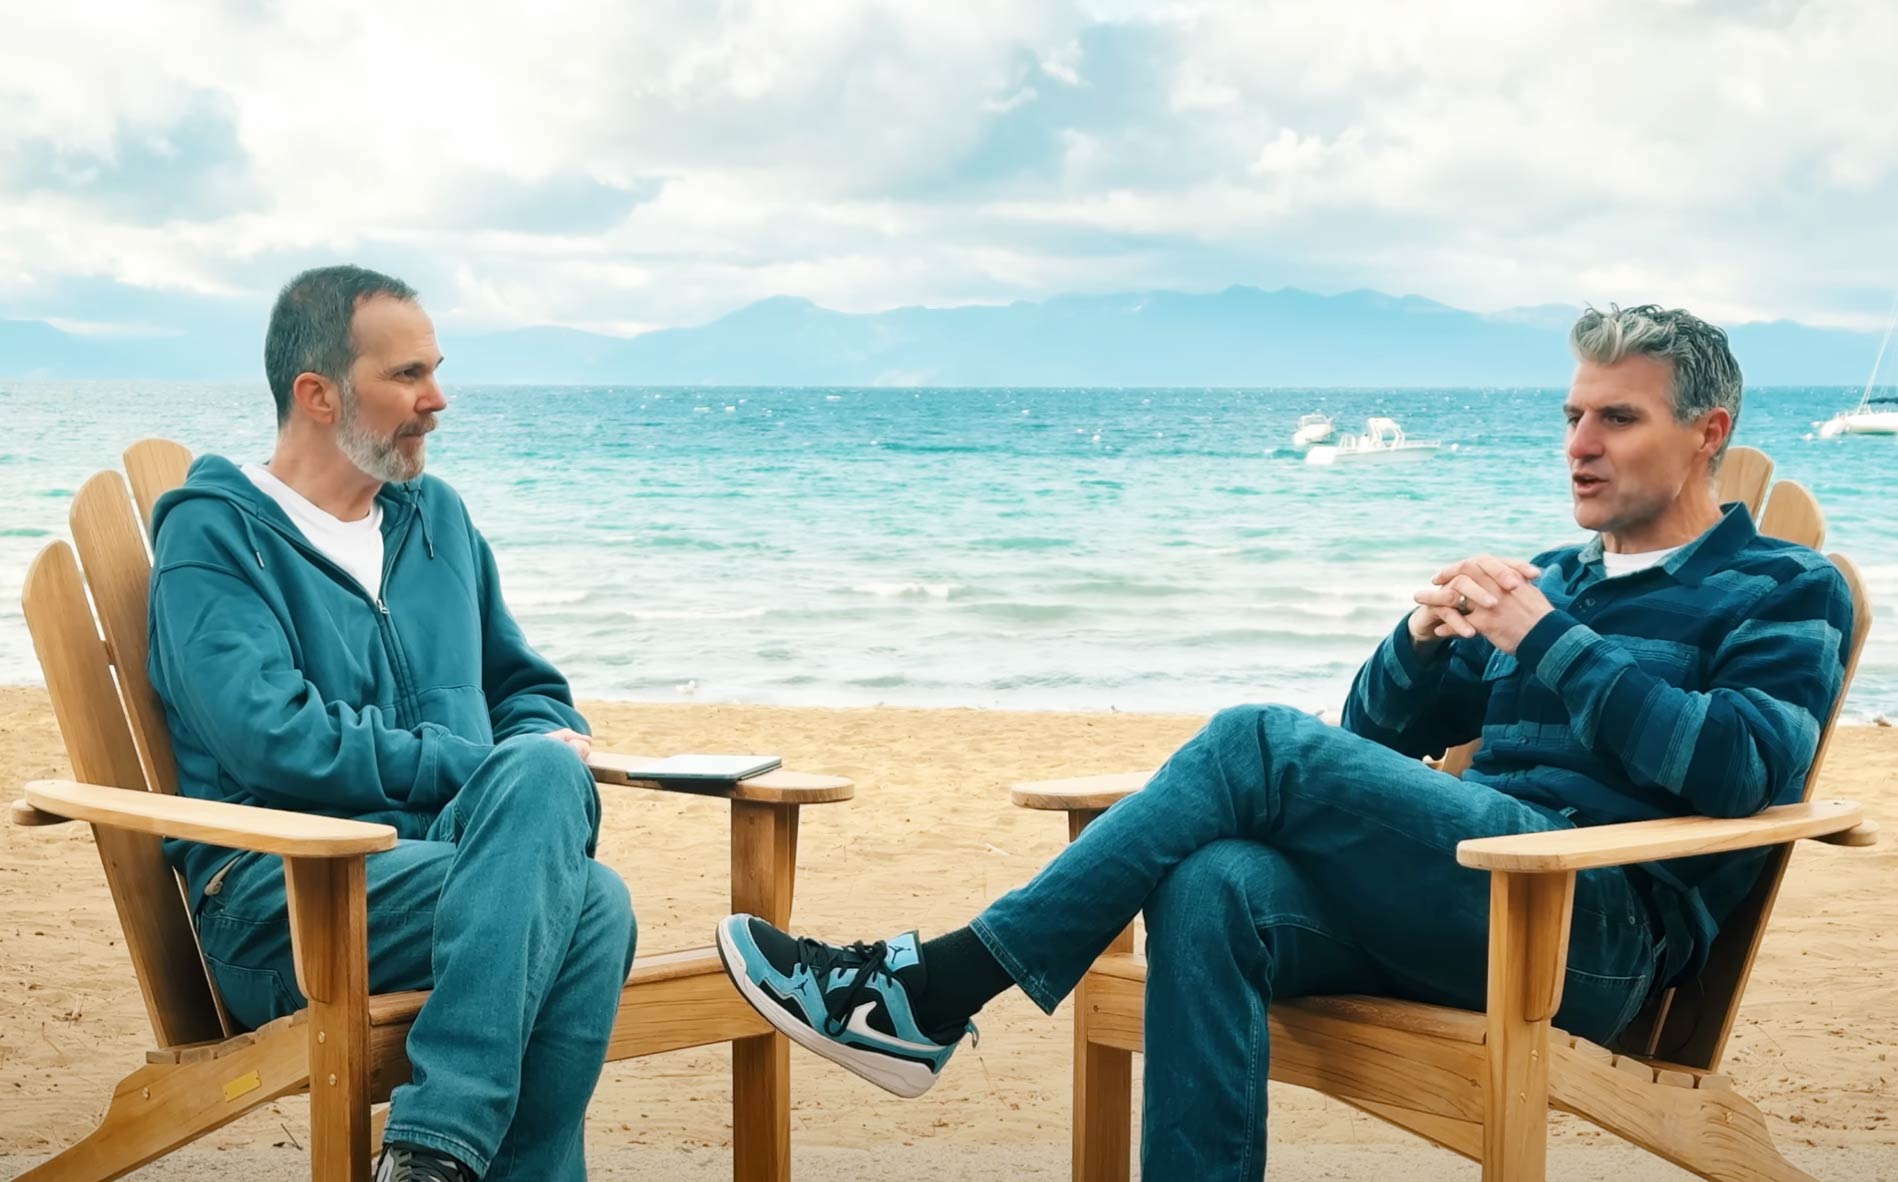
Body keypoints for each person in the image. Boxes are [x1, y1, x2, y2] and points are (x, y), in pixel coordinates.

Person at [715, 304, 1854, 1179]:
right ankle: (932, 1005)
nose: (1579, 444)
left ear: (1707, 434)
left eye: (1617, 417)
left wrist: (1546, 641)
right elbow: (1369, 736)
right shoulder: (1546, 580)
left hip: (1587, 932)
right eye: (1569, 416)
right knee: (1214, 878)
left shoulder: (1779, 589)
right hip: (1467, 896)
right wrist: (1416, 642)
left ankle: (937, 988)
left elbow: (1739, 770)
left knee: (1254, 739)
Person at [148, 265, 637, 1182]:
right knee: (590, 901)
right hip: (285, 904)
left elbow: (525, 688)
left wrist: (529, 745)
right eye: (408, 376)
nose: (438, 400)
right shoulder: (215, 536)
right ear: (319, 394)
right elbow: (271, 736)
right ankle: (441, 1144)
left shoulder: (437, 519)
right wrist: (485, 765)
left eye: (436, 371)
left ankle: (431, 1154)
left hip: (442, 877)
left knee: (556, 805)